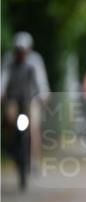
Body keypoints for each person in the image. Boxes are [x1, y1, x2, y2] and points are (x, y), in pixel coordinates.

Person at [1, 32, 50, 189]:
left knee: (33, 128)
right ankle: (12, 145)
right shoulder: (9, 60)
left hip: (31, 99)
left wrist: (44, 94)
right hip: (14, 98)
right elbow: (3, 78)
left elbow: (41, 80)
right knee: (9, 119)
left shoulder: (35, 61)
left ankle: (34, 159)